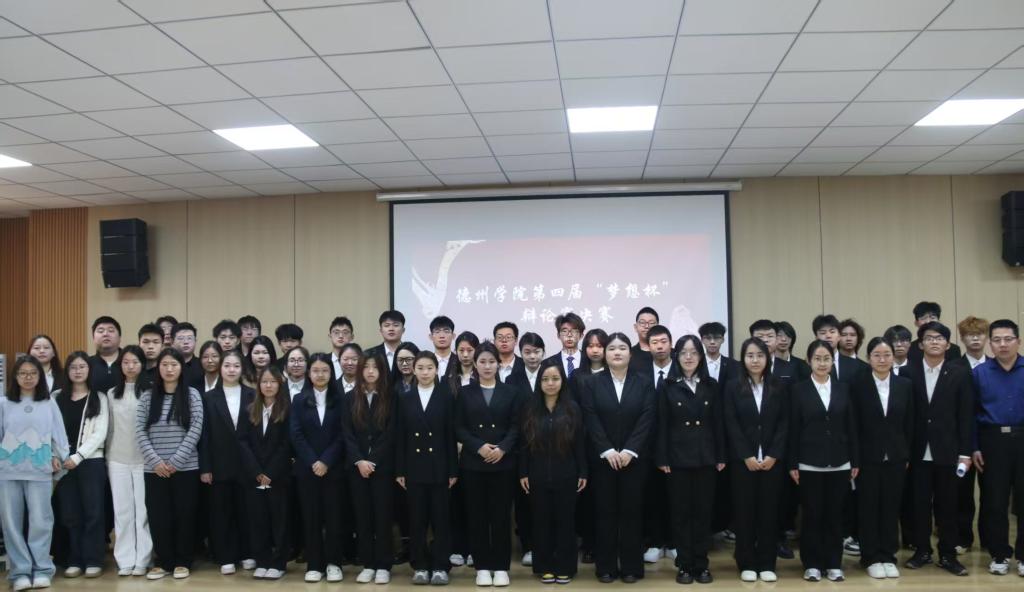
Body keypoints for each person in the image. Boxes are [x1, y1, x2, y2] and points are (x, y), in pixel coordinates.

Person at [581, 333, 655, 583]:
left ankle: (632, 567)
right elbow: (590, 417)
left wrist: (630, 450)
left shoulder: (644, 382)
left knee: (632, 513)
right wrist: (607, 450)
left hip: (634, 460)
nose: (617, 352)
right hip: (603, 460)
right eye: (612, 348)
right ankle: (606, 567)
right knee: (605, 513)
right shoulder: (592, 383)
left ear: (630, 354)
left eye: (622, 348)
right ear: (605, 354)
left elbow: (647, 416)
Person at [903, 321, 973, 576]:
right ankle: (922, 550)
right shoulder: (907, 372)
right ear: (920, 344)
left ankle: (948, 554)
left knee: (948, 506)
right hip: (917, 451)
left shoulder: (960, 373)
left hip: (948, 451)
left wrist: (965, 453)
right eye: (929, 338)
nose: (934, 341)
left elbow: (966, 416)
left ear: (948, 344)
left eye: (940, 338)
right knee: (919, 505)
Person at [789, 340, 859, 583]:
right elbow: (793, 429)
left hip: (840, 462)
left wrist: (855, 460)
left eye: (826, 359)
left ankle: (833, 563)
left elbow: (851, 427)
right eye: (817, 359)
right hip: (808, 463)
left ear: (832, 361)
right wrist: (792, 463)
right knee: (812, 515)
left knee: (834, 515)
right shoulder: (798, 390)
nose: (822, 363)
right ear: (809, 361)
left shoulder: (843, 389)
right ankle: (812, 564)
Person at [657, 335, 725, 584]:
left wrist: (721, 455)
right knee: (681, 514)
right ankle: (685, 565)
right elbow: (661, 424)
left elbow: (718, 423)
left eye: (694, 352)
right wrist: (662, 457)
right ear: (676, 356)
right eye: (684, 352)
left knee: (703, 513)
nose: (689, 357)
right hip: (677, 459)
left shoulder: (711, 384)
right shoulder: (667, 385)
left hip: (706, 457)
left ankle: (701, 564)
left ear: (700, 356)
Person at [455, 343, 522, 587]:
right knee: (477, 516)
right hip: (474, 463)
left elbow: (517, 426)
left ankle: (501, 566)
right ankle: (482, 566)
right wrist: (479, 446)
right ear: (475, 364)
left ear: (499, 364)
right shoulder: (464, 393)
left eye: (491, 362)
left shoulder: (511, 392)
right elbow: (458, 426)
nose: (487, 366)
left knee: (501, 516)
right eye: (482, 361)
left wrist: (502, 448)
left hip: (503, 464)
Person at [0, 355, 69, 592]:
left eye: (33, 373)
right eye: (23, 373)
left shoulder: (49, 403)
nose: (28, 377)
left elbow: (59, 436)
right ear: (15, 377)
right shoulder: (4, 403)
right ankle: (20, 572)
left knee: (41, 521)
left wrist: (58, 456)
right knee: (11, 523)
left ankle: (41, 570)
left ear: (40, 376)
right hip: (8, 471)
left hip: (39, 471)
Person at [723, 337, 788, 583]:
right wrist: (745, 455)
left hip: (772, 461)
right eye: (750, 355)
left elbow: (784, 423)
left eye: (760, 355)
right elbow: (730, 422)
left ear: (768, 358)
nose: (755, 360)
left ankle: (767, 562)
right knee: (745, 513)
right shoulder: (732, 386)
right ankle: (747, 562)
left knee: (769, 513)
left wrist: (774, 454)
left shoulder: (778, 385)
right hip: (743, 462)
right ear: (743, 359)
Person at [136, 348, 204, 580]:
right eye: (164, 365)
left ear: (181, 368)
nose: (169, 369)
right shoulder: (147, 397)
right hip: (154, 469)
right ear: (158, 368)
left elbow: (196, 428)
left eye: (174, 365)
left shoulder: (192, 395)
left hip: (185, 467)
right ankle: (163, 561)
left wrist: (176, 461)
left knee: (185, 514)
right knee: (158, 516)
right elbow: (140, 431)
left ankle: (183, 561)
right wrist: (156, 461)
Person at [519, 359, 587, 584]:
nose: (550, 383)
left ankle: (565, 567)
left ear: (562, 381)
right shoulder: (530, 408)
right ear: (539, 382)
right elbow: (523, 444)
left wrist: (583, 472)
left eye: (555, 379)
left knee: (565, 522)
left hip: (567, 474)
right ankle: (544, 567)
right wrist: (523, 472)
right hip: (536, 474)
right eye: (545, 379)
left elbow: (580, 443)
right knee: (541, 522)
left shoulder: (572, 408)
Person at [852, 337, 913, 579]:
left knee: (891, 507)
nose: (882, 359)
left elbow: (910, 424)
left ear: (893, 358)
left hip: (896, 457)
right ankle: (870, 557)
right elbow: (853, 425)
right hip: (867, 458)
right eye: (876, 355)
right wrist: (855, 458)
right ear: (868, 358)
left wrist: (906, 454)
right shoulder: (857, 385)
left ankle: (888, 555)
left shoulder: (904, 385)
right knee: (868, 508)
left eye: (887, 355)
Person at [395, 351, 458, 586]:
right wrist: (400, 470)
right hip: (414, 466)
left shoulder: (446, 396)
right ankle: (419, 565)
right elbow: (400, 436)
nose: (424, 372)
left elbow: (450, 435)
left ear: (436, 370)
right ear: (413, 370)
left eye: (429, 368)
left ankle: (441, 565)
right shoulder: (405, 397)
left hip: (440, 466)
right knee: (417, 519)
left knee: (441, 519)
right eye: (420, 367)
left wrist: (453, 470)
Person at [971, 319, 1024, 576]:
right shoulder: (979, 373)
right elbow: (970, 414)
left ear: (1018, 341)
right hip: (991, 441)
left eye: (1008, 339)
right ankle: (999, 554)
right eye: (997, 340)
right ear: (990, 343)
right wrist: (974, 447)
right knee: (994, 501)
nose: (1003, 344)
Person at [290, 353, 346, 583]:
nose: (320, 375)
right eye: (315, 371)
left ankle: (334, 563)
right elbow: (296, 434)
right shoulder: (298, 400)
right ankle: (314, 564)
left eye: (325, 370)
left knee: (334, 518)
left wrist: (326, 461)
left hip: (334, 468)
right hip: (307, 469)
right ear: (308, 373)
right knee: (311, 517)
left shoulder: (341, 399)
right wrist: (313, 461)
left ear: (331, 373)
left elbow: (344, 434)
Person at [53, 352, 109, 579]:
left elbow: (100, 432)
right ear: (67, 371)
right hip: (62, 463)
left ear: (89, 370)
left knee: (93, 512)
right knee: (70, 514)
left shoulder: (99, 397)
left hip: (90, 462)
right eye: (73, 367)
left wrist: (78, 457)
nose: (78, 371)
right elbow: (49, 429)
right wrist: (57, 456)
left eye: (82, 366)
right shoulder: (56, 397)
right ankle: (75, 559)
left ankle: (93, 559)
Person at [199, 350, 255, 575]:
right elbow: (204, 435)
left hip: (247, 463)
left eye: (236, 366)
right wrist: (205, 467)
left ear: (242, 369)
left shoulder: (253, 394)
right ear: (220, 368)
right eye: (227, 366)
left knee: (247, 510)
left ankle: (248, 553)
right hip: (219, 463)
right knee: (221, 512)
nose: (232, 370)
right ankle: (226, 556)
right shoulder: (208, 397)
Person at [342, 353, 396, 584]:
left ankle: (383, 564)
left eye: (376, 367)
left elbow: (391, 433)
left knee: (383, 516)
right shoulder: (349, 398)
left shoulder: (392, 397)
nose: (371, 371)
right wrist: (359, 460)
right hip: (357, 468)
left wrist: (373, 460)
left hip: (382, 467)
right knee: (362, 516)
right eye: (367, 367)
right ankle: (368, 563)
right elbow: (346, 433)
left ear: (382, 371)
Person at [238, 366, 292, 580]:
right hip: (253, 475)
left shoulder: (288, 409)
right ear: (258, 385)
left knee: (280, 520)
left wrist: (270, 471)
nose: (268, 385)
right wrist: (256, 470)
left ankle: (278, 563)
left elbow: (287, 444)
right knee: (257, 519)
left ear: (280, 384)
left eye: (273, 381)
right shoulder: (249, 409)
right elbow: (242, 441)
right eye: (264, 382)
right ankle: (262, 560)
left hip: (278, 475)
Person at [105, 346, 153, 577]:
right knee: (122, 511)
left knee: (143, 511)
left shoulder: (151, 391)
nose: (130, 366)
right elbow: (109, 429)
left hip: (145, 459)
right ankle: (124, 560)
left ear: (142, 364)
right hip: (117, 458)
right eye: (126, 362)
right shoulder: (111, 393)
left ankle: (143, 559)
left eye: (135, 362)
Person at [506, 332, 545, 567]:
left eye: (536, 351)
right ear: (520, 353)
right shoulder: (512, 379)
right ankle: (528, 546)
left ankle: (545, 545)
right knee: (524, 500)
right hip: (521, 447)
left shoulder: (551, 374)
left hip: (549, 446)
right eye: (527, 352)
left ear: (543, 352)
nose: (532, 356)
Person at [571, 328, 608, 564]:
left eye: (600, 345)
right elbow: (573, 410)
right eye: (591, 346)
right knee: (588, 498)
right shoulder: (577, 376)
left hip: (612, 444)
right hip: (586, 444)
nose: (595, 350)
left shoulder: (616, 373)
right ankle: (590, 543)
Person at [954, 316, 989, 554]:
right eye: (970, 335)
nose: (975, 338)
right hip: (962, 439)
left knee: (992, 492)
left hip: (989, 438)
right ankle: (963, 538)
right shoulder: (954, 367)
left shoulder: (996, 365)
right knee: (962, 493)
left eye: (980, 334)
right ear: (962, 338)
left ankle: (989, 539)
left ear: (986, 338)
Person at [643, 325, 675, 564]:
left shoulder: (683, 369)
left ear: (671, 344)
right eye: (655, 343)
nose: (660, 346)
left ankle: (674, 542)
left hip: (677, 445)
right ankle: (654, 541)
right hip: (646, 445)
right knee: (651, 495)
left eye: (664, 341)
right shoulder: (639, 370)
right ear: (648, 346)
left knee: (676, 496)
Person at [89, 316, 122, 393]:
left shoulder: (132, 362)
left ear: (120, 337)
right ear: (93, 338)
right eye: (100, 331)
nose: (105, 334)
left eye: (111, 330)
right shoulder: (86, 364)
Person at [547, 313, 585, 381]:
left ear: (581, 335)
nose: (569, 335)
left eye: (574, 331)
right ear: (558, 335)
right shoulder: (548, 363)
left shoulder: (589, 361)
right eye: (564, 331)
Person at [170, 322, 203, 391]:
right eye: (181, 338)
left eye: (189, 338)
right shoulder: (167, 366)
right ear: (172, 342)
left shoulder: (202, 365)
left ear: (195, 341)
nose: (186, 342)